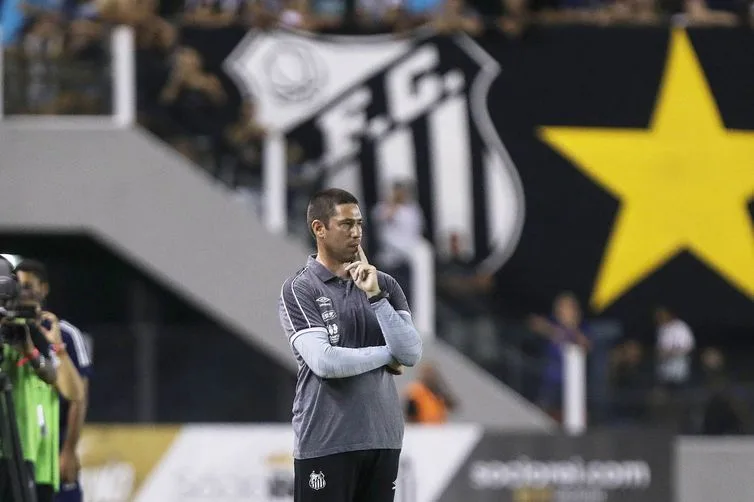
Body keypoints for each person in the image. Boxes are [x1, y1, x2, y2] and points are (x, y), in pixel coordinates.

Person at [278, 188, 423, 502]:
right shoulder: (300, 288)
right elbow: (326, 363)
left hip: (383, 438)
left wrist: (375, 296)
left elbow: (411, 352)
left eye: (359, 224)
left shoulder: (384, 284)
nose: (356, 232)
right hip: (327, 440)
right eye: (346, 224)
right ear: (319, 228)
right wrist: (388, 355)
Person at [0, 259, 85, 502]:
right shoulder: (7, 329)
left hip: (40, 457)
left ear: (43, 289)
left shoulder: (51, 332)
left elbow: (75, 393)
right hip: (11, 451)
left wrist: (53, 346)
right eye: (19, 286)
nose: (24, 293)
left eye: (29, 286)